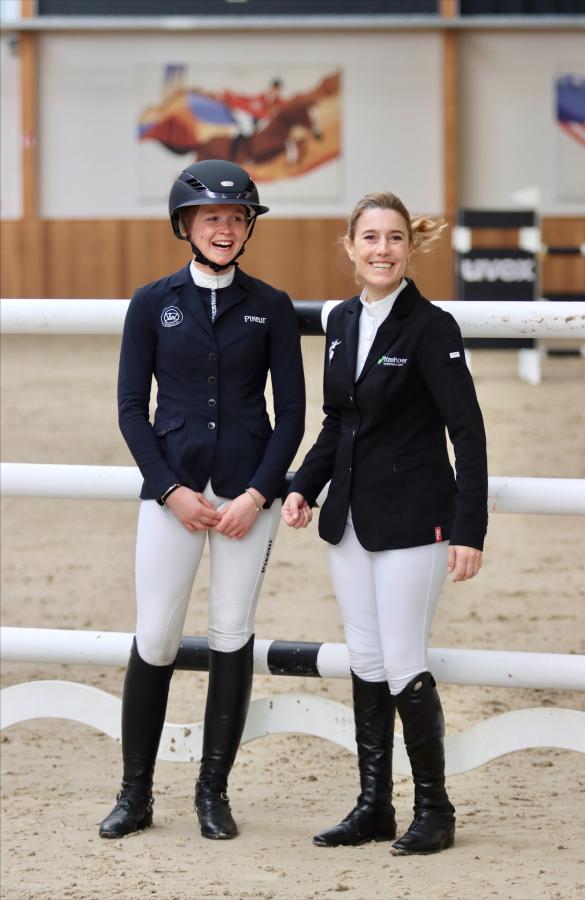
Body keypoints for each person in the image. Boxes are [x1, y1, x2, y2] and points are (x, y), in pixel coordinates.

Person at [99, 159, 305, 840]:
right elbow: (131, 408)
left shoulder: (271, 306)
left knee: (230, 633)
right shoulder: (151, 302)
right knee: (157, 634)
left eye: (236, 218)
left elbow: (292, 414)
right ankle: (135, 793)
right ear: (185, 224)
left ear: (248, 228)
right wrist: (169, 489)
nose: (225, 228)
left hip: (248, 494)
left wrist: (258, 494)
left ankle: (212, 792)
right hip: (174, 493)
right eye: (212, 218)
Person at [282, 192, 487, 856]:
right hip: (348, 522)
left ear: (409, 247)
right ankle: (374, 806)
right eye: (370, 237)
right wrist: (302, 486)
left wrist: (470, 528)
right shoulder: (341, 320)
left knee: (402, 662)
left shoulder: (432, 327)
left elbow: (468, 432)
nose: (382, 249)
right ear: (350, 246)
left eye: (394, 238)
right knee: (366, 661)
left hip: (414, 522)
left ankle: (436, 809)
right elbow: (337, 421)